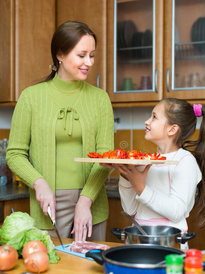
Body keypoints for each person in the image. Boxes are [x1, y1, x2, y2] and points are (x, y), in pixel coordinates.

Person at [6, 20, 114, 242]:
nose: (89, 62)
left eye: (92, 55)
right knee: (52, 271)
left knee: (89, 273)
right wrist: (39, 183)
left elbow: (105, 157)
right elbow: (14, 154)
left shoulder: (100, 99)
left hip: (91, 203)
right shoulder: (31, 97)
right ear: (60, 55)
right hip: (46, 205)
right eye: (81, 55)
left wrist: (85, 201)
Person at [100, 98, 205, 242]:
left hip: (169, 241)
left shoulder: (185, 161)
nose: (147, 121)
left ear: (172, 129)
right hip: (140, 236)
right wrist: (125, 174)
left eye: (154, 117)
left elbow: (176, 212)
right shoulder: (148, 160)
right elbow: (130, 209)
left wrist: (141, 187)